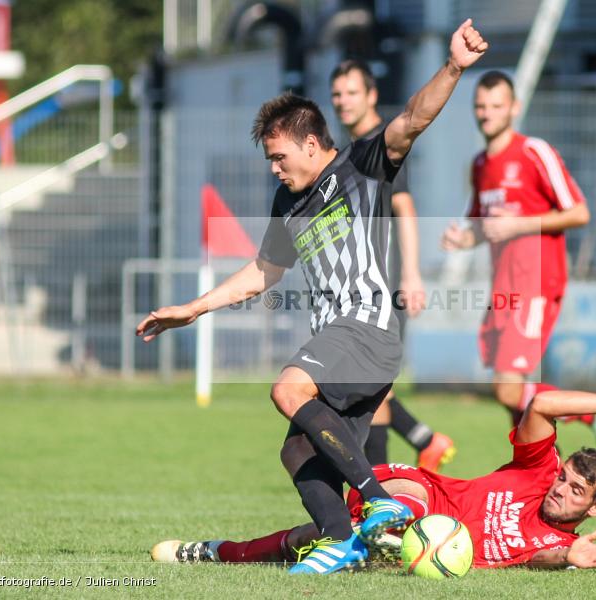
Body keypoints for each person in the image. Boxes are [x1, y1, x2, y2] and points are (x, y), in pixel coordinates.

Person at [136, 19, 489, 575]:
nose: (274, 168)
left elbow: (413, 119)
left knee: (288, 388)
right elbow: (261, 272)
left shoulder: (362, 166)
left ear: (309, 142)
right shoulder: (289, 201)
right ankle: (344, 542)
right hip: (341, 338)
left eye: (279, 157)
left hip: (368, 328)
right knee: (297, 450)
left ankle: (377, 501)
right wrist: (192, 308)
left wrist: (453, 67)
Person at [151, 386, 596, 570]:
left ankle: (214, 551)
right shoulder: (537, 471)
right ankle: (373, 527)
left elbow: (539, 556)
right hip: (421, 492)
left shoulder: (556, 542)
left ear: (594, 509)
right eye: (565, 477)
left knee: (309, 542)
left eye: (576, 490)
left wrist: (568, 558)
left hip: (425, 544)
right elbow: (543, 403)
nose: (560, 488)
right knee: (400, 505)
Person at [440, 71, 596, 463]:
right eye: (480, 106)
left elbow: (579, 211)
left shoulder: (533, 152)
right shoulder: (480, 164)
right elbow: (484, 226)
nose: (487, 114)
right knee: (514, 399)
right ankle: (541, 468)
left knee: (507, 389)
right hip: (503, 288)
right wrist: (464, 239)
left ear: (514, 108)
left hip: (536, 281)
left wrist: (519, 224)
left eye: (496, 106)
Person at [329, 59, 455, 472]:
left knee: (370, 383)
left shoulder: (381, 144)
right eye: (337, 94)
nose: (343, 101)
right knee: (363, 381)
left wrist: (412, 275)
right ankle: (422, 441)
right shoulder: (350, 150)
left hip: (386, 283)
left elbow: (405, 207)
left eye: (351, 92)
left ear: (371, 95)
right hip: (359, 287)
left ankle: (378, 488)